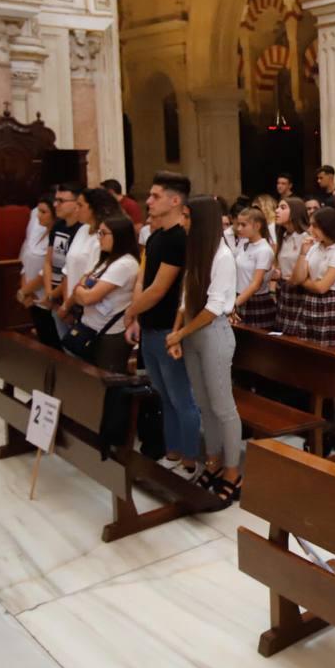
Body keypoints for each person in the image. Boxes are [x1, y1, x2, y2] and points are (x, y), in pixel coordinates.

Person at [161, 197, 241, 501]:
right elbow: (185, 298)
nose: (183, 222)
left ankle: (233, 470)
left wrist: (181, 332)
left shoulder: (222, 256)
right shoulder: (196, 252)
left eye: (186, 217)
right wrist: (176, 334)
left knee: (223, 407)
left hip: (214, 334)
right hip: (193, 333)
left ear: (201, 220)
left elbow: (214, 307)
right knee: (204, 404)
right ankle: (214, 460)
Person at [124, 171, 201, 477]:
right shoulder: (156, 236)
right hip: (150, 325)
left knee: (181, 397)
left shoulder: (178, 239)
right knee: (162, 394)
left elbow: (160, 288)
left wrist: (130, 312)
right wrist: (138, 317)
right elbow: (144, 277)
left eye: (155, 196)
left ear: (174, 200)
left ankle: (191, 459)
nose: (149, 201)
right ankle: (172, 450)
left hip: (171, 329)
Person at [66, 214, 139, 373]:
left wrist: (81, 290)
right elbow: (80, 287)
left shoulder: (125, 264)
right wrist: (81, 290)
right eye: (98, 232)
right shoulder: (105, 260)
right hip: (91, 327)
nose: (99, 238)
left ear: (119, 236)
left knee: (107, 382)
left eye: (103, 233)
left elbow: (88, 297)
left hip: (110, 333)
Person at [282, 207, 335, 345]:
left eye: (315, 226)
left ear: (327, 226)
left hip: (330, 304)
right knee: (307, 348)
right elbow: (296, 279)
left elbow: (322, 287)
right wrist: (303, 253)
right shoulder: (315, 247)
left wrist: (305, 281)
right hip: (310, 301)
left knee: (328, 350)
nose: (310, 230)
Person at [56, 187, 118, 336]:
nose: (76, 209)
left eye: (81, 205)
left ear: (94, 208)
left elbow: (90, 278)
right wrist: (65, 304)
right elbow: (67, 270)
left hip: (87, 306)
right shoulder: (82, 229)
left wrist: (67, 306)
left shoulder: (102, 237)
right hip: (70, 304)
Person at [17, 195, 59, 347]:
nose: (38, 215)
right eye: (38, 211)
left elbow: (48, 268)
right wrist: (25, 290)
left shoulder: (56, 236)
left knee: (54, 342)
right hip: (33, 298)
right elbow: (26, 260)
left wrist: (25, 291)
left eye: (43, 212)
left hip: (46, 298)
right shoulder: (39, 233)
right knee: (44, 341)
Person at [42, 185, 83, 341]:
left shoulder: (82, 230)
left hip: (71, 297)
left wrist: (53, 294)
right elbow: (48, 261)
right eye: (55, 200)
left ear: (76, 203)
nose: (55, 204)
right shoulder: (58, 226)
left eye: (61, 200)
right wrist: (48, 292)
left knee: (74, 345)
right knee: (63, 343)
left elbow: (74, 271)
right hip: (55, 297)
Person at [231, 207, 277, 330]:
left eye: (243, 225)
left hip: (255, 301)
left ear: (257, 226)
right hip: (239, 297)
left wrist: (234, 304)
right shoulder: (243, 245)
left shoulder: (264, 250)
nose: (239, 228)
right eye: (238, 224)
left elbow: (256, 284)